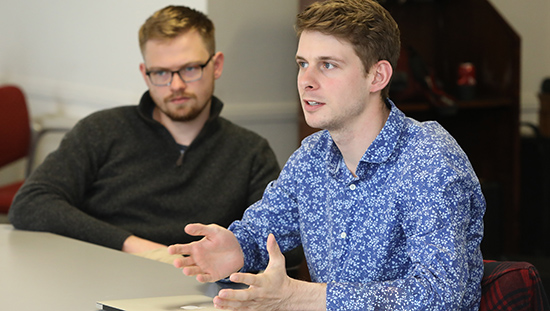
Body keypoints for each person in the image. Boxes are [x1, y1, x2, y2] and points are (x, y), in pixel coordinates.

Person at [167, 0, 486, 310]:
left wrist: (301, 298)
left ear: (377, 76)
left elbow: (441, 295)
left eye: (328, 65)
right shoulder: (312, 156)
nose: (306, 81)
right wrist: (236, 248)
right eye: (302, 64)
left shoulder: (427, 159)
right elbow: (261, 232)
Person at [8, 5, 280, 263]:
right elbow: (31, 203)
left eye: (189, 69)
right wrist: (140, 248)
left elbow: (283, 246)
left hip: (197, 292)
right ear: (145, 74)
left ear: (216, 65)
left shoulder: (250, 152)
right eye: (160, 72)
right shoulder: (101, 130)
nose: (176, 85)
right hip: (97, 274)